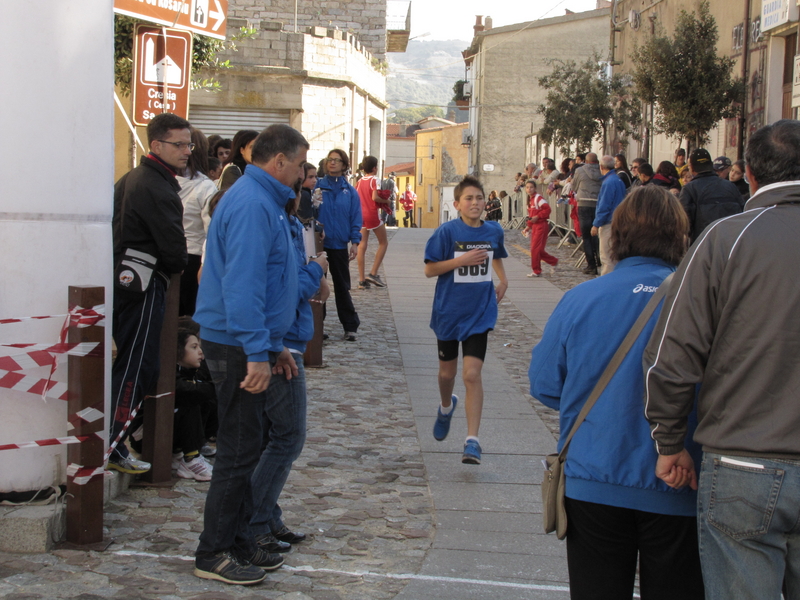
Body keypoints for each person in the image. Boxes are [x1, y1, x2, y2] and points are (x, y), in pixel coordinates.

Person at [643, 119, 800, 600]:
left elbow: (671, 355)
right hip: (745, 461)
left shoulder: (724, 240)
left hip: (743, 463)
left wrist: (668, 441)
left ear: (748, 174)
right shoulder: (724, 239)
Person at [530, 186, 703, 600]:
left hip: (595, 475)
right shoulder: (698, 301)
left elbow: (545, 384)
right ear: (680, 237)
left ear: (617, 236)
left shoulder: (581, 298)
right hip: (679, 480)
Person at [192, 124, 310, 586]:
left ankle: (239, 540)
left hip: (252, 342)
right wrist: (258, 352)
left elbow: (268, 282)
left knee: (250, 446)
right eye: (300, 164)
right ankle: (213, 552)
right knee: (239, 453)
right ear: (278, 161)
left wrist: (273, 345)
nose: (303, 173)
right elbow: (242, 286)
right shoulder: (251, 204)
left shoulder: (267, 203)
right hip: (237, 343)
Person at [250, 181, 328, 556]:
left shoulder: (293, 225)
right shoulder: (275, 222)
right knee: (287, 436)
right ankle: (256, 520)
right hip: (282, 342)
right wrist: (316, 271)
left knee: (274, 438)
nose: (310, 194)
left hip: (288, 337)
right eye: (304, 183)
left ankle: (266, 517)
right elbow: (285, 286)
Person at [110, 112, 190, 474]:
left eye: (189, 144)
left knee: (135, 362)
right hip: (143, 282)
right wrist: (175, 264)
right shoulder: (155, 185)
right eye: (179, 144)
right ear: (156, 145)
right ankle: (112, 443)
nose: (187, 151)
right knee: (137, 365)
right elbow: (174, 252)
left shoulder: (133, 178)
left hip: (125, 277)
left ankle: (114, 441)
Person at [425, 175, 508, 465]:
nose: (475, 203)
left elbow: (494, 254)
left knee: (471, 374)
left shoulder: (494, 230)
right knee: (447, 375)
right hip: (449, 312)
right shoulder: (447, 232)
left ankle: (472, 441)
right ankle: (446, 406)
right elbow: (430, 270)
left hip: (479, 312)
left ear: (486, 202)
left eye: (479, 198)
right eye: (469, 199)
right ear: (457, 203)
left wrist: (503, 279)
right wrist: (461, 261)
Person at [316, 149, 362, 341]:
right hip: (319, 244)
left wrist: (355, 242)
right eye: (330, 160)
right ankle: (318, 324)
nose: (332, 163)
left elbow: (355, 217)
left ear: (344, 165)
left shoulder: (350, 191)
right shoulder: (317, 187)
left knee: (342, 286)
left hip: (339, 245)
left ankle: (350, 326)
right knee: (319, 285)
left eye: (337, 160)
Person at [177, 127, 217, 316]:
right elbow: (212, 230)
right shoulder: (205, 186)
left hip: (171, 256)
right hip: (194, 258)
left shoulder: (160, 181)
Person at [173, 328, 215, 481]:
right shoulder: (168, 372)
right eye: (194, 347)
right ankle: (191, 458)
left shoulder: (194, 370)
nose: (200, 352)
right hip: (146, 437)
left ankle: (180, 452)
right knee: (190, 400)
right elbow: (185, 390)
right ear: (178, 351)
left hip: (173, 436)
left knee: (213, 401)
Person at [679, 148, 744, 243]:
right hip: (731, 245)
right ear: (711, 165)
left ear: (691, 168)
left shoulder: (689, 189)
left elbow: (683, 223)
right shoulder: (730, 186)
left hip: (703, 246)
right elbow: (743, 213)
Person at [355, 156, 389, 289]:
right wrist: (386, 201)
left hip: (361, 214)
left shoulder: (359, 181)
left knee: (362, 245)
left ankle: (361, 280)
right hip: (372, 213)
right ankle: (373, 273)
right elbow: (375, 197)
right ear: (375, 168)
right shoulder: (375, 180)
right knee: (383, 242)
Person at [591, 155, 627, 275]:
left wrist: (596, 224)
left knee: (606, 257)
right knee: (614, 256)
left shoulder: (608, 182)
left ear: (601, 167)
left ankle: (606, 281)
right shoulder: (618, 180)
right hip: (618, 220)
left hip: (608, 222)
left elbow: (604, 205)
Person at [571, 152, 602, 275]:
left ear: (586, 161)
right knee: (596, 234)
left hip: (584, 203)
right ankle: (599, 258)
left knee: (586, 236)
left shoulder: (580, 170)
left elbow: (574, 186)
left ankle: (591, 264)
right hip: (597, 203)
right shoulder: (602, 170)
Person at [522, 179, 557, 277]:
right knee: (538, 250)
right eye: (527, 187)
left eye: (531, 187)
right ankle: (553, 261)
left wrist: (538, 216)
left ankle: (536, 270)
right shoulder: (530, 200)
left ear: (535, 188)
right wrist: (528, 226)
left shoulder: (538, 198)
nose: (529, 189)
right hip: (536, 226)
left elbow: (547, 209)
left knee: (535, 249)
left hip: (541, 225)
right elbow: (531, 215)